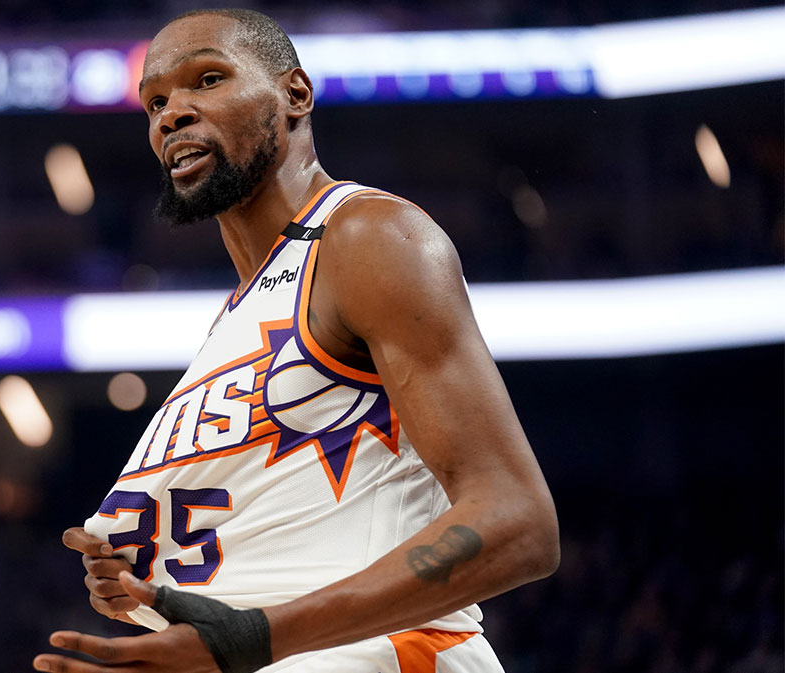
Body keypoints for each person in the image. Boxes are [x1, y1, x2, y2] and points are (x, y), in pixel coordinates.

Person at [35, 8, 559, 672]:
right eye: (156, 101)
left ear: (295, 94)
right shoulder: (237, 316)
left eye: (209, 78)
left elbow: (519, 522)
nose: (172, 114)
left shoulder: (367, 236)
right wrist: (154, 583)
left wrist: (252, 634)